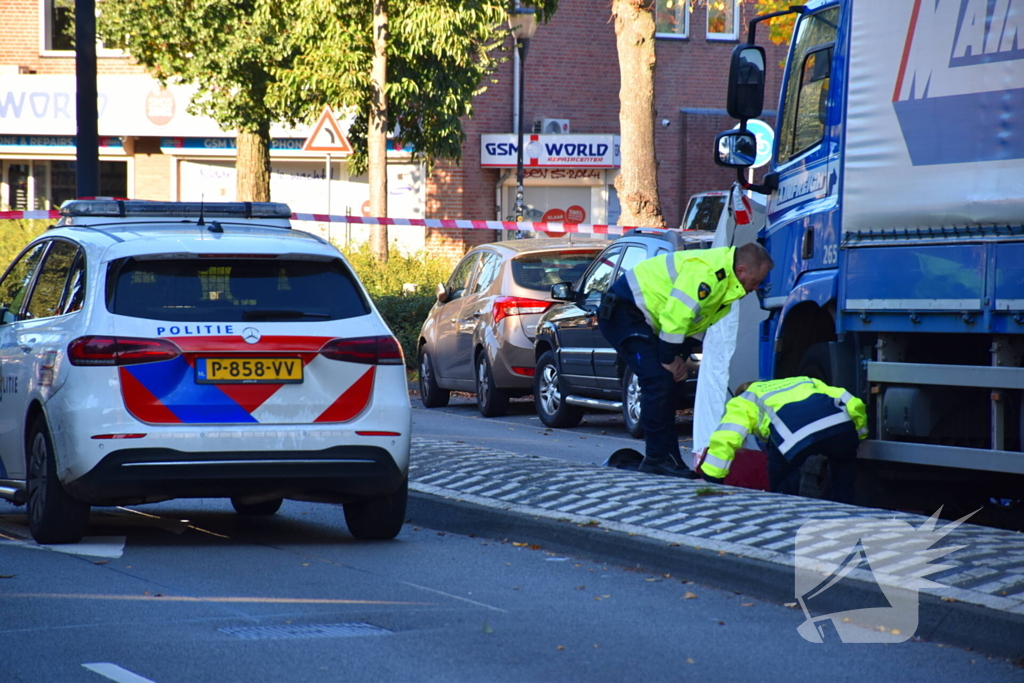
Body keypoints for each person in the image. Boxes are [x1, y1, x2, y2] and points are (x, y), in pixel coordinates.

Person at [597, 242, 774, 478]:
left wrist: (679, 357)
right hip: (624, 312)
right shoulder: (708, 274)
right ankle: (657, 459)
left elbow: (697, 324)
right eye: (757, 281)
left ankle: (666, 458)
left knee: (670, 382)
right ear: (741, 270)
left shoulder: (729, 285)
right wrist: (669, 358)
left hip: (647, 319)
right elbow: (676, 316)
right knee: (658, 380)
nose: (757, 287)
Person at [696, 376, 868, 503]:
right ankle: (843, 515)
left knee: (782, 486)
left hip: (791, 436)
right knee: (843, 474)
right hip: (840, 427)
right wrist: (860, 434)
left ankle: (787, 516)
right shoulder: (803, 381)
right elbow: (852, 402)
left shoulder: (744, 399)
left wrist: (712, 480)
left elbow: (726, 438)